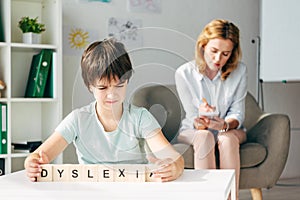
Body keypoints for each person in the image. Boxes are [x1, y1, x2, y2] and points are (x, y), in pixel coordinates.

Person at [24, 38, 184, 182]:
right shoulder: (78, 119)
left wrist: (173, 167)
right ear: (90, 86)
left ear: (127, 81)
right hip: (93, 189)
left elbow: (173, 157)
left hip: (134, 189)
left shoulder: (140, 118)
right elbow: (39, 155)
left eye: (120, 85)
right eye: (102, 87)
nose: (112, 94)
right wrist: (32, 162)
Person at [175, 19, 247, 199]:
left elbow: (238, 112)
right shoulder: (183, 73)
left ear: (232, 53)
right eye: (214, 51)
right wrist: (202, 122)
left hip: (230, 129)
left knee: (227, 139)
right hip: (195, 130)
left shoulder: (240, 71)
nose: (218, 59)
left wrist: (224, 125)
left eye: (225, 54)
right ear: (203, 46)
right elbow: (192, 116)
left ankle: (231, 198)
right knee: (204, 136)